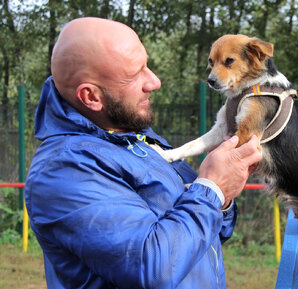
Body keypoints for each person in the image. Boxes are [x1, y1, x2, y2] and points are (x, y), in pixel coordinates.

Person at [25, 17, 261, 289]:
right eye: (134, 74)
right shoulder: (65, 170)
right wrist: (212, 187)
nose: (154, 81)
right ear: (91, 97)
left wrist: (223, 194)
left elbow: (206, 236)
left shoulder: (137, 140)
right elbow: (153, 269)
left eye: (147, 65)